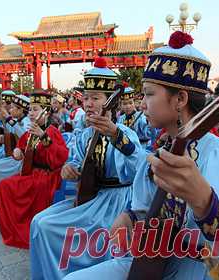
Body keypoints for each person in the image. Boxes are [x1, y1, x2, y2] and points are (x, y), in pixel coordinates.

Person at [63, 31, 219, 280]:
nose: (142, 103)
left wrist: (206, 204)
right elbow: (144, 208)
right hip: (155, 262)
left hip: (203, 270)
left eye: (149, 94)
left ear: (180, 99)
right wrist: (130, 216)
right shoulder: (161, 154)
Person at [30, 57, 141, 280]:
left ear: (111, 102)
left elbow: (137, 167)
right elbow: (73, 161)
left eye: (96, 98)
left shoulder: (125, 133)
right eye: (86, 98)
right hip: (91, 197)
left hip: (118, 201)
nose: (88, 104)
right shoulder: (86, 134)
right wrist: (68, 169)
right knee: (39, 223)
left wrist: (115, 136)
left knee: (50, 226)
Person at [0, 89, 69, 249]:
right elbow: (21, 147)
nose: (31, 113)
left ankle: (27, 230)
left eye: (35, 109)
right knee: (5, 185)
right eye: (30, 109)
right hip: (33, 173)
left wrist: (44, 137)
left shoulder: (52, 131)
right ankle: (15, 228)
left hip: (47, 175)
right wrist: (18, 152)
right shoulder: (31, 131)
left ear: (46, 111)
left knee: (18, 187)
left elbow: (61, 157)